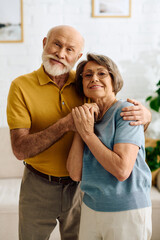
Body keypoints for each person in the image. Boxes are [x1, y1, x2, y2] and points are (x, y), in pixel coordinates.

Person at [6, 25, 151, 240]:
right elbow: (19, 150)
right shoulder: (21, 86)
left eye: (70, 49)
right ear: (45, 43)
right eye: (56, 44)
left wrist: (145, 116)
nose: (61, 54)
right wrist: (66, 125)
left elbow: (114, 108)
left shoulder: (84, 84)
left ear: (77, 56)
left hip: (80, 187)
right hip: (38, 185)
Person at [67, 53, 152, 240]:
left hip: (126, 209)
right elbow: (75, 173)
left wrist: (88, 135)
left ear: (114, 80)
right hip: (91, 208)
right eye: (87, 75)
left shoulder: (127, 112)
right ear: (82, 84)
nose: (94, 78)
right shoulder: (88, 117)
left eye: (101, 73)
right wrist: (81, 127)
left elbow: (122, 170)